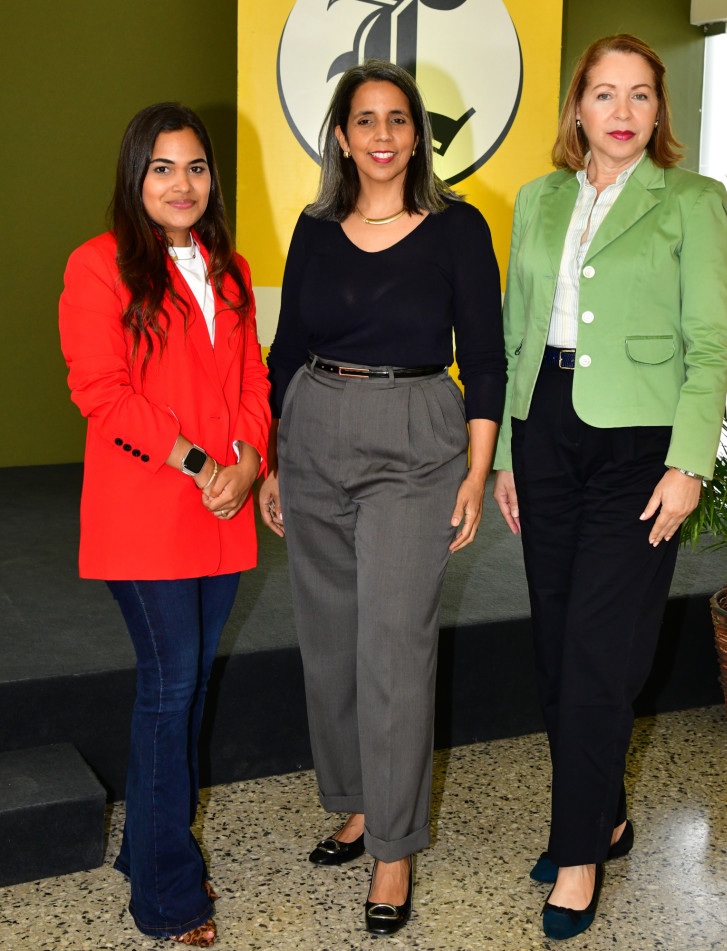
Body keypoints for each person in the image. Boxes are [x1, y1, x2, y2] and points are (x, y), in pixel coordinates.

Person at [492, 34, 727, 941]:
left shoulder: (693, 201)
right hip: (545, 427)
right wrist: (513, 453)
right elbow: (520, 331)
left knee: (600, 647)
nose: (623, 111)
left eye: (640, 94)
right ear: (578, 110)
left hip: (641, 442)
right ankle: (608, 813)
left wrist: (690, 460)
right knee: (557, 644)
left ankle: (580, 848)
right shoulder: (539, 197)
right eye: (604, 93)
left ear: (658, 109)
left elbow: (710, 341)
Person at [260, 60, 505, 934]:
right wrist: (273, 459)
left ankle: (394, 848)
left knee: (394, 645)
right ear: (340, 136)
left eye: (398, 119)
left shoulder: (457, 229)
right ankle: (358, 801)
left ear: (419, 135)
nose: (383, 135)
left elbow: (483, 359)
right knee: (329, 634)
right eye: (365, 120)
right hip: (314, 422)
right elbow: (284, 348)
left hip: (416, 438)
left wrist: (476, 473)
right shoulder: (316, 227)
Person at [59, 102, 271, 947]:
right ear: (134, 175)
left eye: (195, 168)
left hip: (223, 512)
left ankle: (148, 849)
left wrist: (251, 460)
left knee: (185, 691)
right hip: (149, 511)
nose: (181, 184)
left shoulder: (230, 268)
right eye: (162, 168)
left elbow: (253, 379)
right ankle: (168, 894)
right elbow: (100, 390)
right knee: (168, 687)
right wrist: (200, 465)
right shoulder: (99, 264)